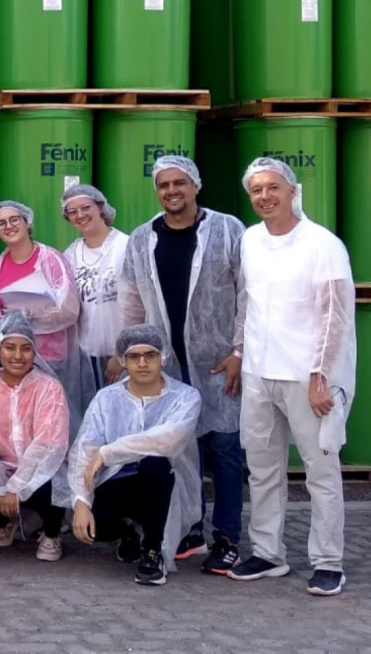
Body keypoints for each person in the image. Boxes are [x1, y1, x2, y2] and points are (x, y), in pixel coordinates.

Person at [228, 158, 356, 597]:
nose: (264, 196)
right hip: (259, 374)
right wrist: (239, 352)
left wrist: (323, 376)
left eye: (273, 188)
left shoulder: (322, 244)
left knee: (321, 469)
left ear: (292, 191)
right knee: (262, 469)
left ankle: (327, 561)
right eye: (257, 189)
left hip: (306, 379)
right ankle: (268, 553)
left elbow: (335, 317)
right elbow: (247, 301)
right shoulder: (250, 240)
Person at [120, 155, 246, 575]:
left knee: (226, 449)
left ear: (195, 185)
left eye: (179, 183)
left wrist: (240, 351)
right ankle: (190, 528)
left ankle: (227, 537)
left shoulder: (227, 230)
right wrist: (131, 355)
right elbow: (132, 300)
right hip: (165, 365)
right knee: (179, 450)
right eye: (163, 185)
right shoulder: (142, 239)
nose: (171, 191)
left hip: (218, 362)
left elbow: (248, 293)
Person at [64, 325, 202, 586]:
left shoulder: (185, 397)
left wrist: (108, 452)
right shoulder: (106, 399)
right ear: (122, 361)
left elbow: (168, 440)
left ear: (163, 358)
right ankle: (128, 532)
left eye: (150, 355)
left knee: (155, 463)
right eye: (133, 357)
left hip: (163, 485)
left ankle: (152, 552)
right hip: (116, 483)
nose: (142, 363)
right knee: (95, 528)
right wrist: (81, 502)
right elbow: (86, 449)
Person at [0, 200, 90, 433]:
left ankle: (58, 468)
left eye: (14, 219)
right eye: (1, 223)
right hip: (13, 358)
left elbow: (69, 309)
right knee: (20, 423)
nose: (8, 226)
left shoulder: (50, 259)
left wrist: (24, 315)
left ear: (27, 222)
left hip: (51, 357)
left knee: (53, 421)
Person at [0, 313, 70, 562]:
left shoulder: (49, 388)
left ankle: (51, 532)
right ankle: (5, 520)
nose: (18, 356)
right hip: (1, 470)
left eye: (26, 348)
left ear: (34, 351)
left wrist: (15, 490)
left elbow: (49, 443)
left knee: (52, 487)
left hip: (41, 470)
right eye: (10, 348)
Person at [60, 184, 129, 390]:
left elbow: (138, 304)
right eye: (73, 212)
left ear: (100, 207)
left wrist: (121, 352)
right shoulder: (71, 254)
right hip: (86, 352)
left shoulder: (126, 246)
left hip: (126, 351)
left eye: (86, 207)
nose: (80, 215)